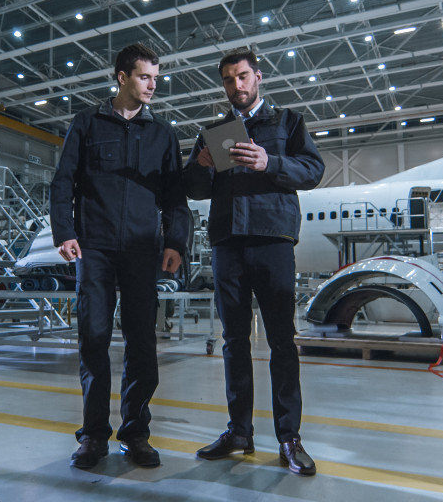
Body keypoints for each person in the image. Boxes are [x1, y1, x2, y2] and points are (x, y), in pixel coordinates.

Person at [183, 48, 325, 476]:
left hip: (272, 241)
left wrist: (271, 161)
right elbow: (192, 187)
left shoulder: (288, 123)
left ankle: (289, 438)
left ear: (258, 77)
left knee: (283, 340)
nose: (236, 86)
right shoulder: (213, 131)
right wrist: (203, 166)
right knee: (234, 342)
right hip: (228, 244)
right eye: (228, 80)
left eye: (242, 76)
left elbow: (314, 169)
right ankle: (239, 432)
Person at [50, 43, 190, 469]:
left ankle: (135, 433)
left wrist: (175, 243)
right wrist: (65, 232)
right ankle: (93, 436)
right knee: (93, 339)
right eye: (145, 77)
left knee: (142, 342)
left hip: (141, 251)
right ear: (122, 77)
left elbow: (175, 198)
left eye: (155, 78)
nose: (152, 85)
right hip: (94, 249)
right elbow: (63, 183)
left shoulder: (163, 134)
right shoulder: (88, 123)